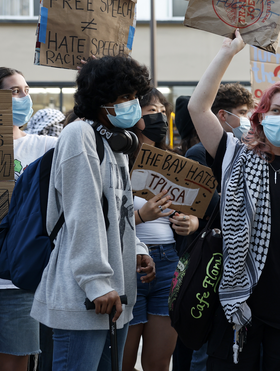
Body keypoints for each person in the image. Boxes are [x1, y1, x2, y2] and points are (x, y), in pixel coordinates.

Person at [188, 29, 280, 370]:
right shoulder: (234, 157)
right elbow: (198, 107)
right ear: (261, 114)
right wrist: (227, 52)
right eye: (276, 109)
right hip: (237, 307)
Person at [29, 55, 156, 371]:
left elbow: (121, 213)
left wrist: (138, 249)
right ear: (101, 101)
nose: (132, 104)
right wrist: (97, 282)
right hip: (86, 297)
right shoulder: (79, 135)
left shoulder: (115, 144)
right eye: (124, 97)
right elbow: (81, 213)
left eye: (134, 97)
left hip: (117, 295)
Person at [0, 67, 57, 371]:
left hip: (18, 275)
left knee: (17, 358)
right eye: (15, 91)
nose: (24, 97)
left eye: (27, 90)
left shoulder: (44, 148)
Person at [171, 85, 255, 371]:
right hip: (206, 262)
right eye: (243, 113)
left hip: (232, 263)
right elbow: (207, 202)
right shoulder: (198, 154)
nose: (249, 118)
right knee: (199, 345)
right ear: (222, 116)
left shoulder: (250, 155)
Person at [121, 90, 200, 371]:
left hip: (168, 264)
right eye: (152, 110)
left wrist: (189, 224)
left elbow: (194, 212)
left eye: (163, 111)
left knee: (158, 363)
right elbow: (102, 219)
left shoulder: (173, 161)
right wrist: (141, 216)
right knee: (123, 361)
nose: (160, 117)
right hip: (129, 263)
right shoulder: (117, 159)